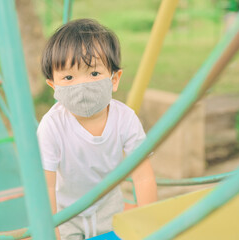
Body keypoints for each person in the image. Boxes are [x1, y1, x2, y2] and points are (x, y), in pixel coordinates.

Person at [38, 18, 157, 240]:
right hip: (66, 218)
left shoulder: (125, 118)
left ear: (114, 79)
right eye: (68, 77)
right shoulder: (52, 126)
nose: (81, 86)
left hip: (110, 212)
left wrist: (148, 226)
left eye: (94, 74)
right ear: (53, 87)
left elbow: (143, 177)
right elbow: (45, 189)